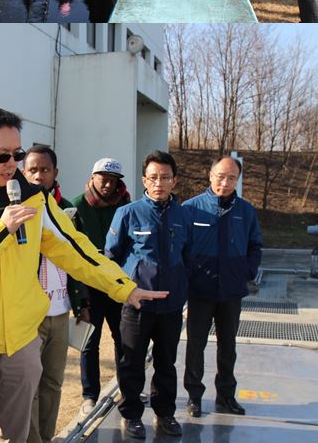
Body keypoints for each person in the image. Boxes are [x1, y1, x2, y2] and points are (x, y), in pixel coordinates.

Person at [0, 108, 166, 443]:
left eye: (17, 155)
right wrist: (1, 229)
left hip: (22, 339)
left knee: (15, 436)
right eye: (3, 156)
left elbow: (77, 250)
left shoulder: (35, 198)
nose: (12, 164)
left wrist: (124, 288)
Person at [105, 151, 191, 440]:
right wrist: (125, 289)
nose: (159, 183)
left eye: (165, 177)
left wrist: (182, 291)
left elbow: (188, 256)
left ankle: (165, 414)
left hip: (170, 306)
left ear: (174, 180)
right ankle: (131, 415)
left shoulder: (184, 215)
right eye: (153, 177)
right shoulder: (128, 213)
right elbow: (111, 257)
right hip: (137, 305)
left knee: (166, 363)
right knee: (132, 362)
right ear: (144, 180)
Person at [182, 157, 262, 418]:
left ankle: (226, 396)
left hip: (231, 291)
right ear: (210, 175)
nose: (224, 183)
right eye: (220, 176)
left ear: (237, 180)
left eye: (231, 178)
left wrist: (246, 272)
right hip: (200, 290)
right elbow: (181, 247)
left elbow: (255, 245)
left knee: (228, 345)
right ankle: (194, 397)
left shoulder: (246, 211)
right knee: (196, 345)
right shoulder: (191, 208)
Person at [22, 145, 87, 443]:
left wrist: (82, 301)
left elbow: (81, 259)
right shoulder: (16, 211)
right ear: (24, 173)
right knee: (28, 386)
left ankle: (46, 437)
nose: (38, 176)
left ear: (55, 173)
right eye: (32, 170)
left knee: (53, 382)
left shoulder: (68, 212)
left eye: (44, 170)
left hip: (60, 312)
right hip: (29, 316)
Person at [71, 156, 132, 416]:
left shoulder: (126, 206)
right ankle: (90, 395)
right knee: (89, 342)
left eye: (113, 180)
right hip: (88, 287)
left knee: (124, 340)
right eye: (102, 178)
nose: (107, 184)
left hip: (117, 285)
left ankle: (127, 388)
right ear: (92, 178)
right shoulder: (74, 207)